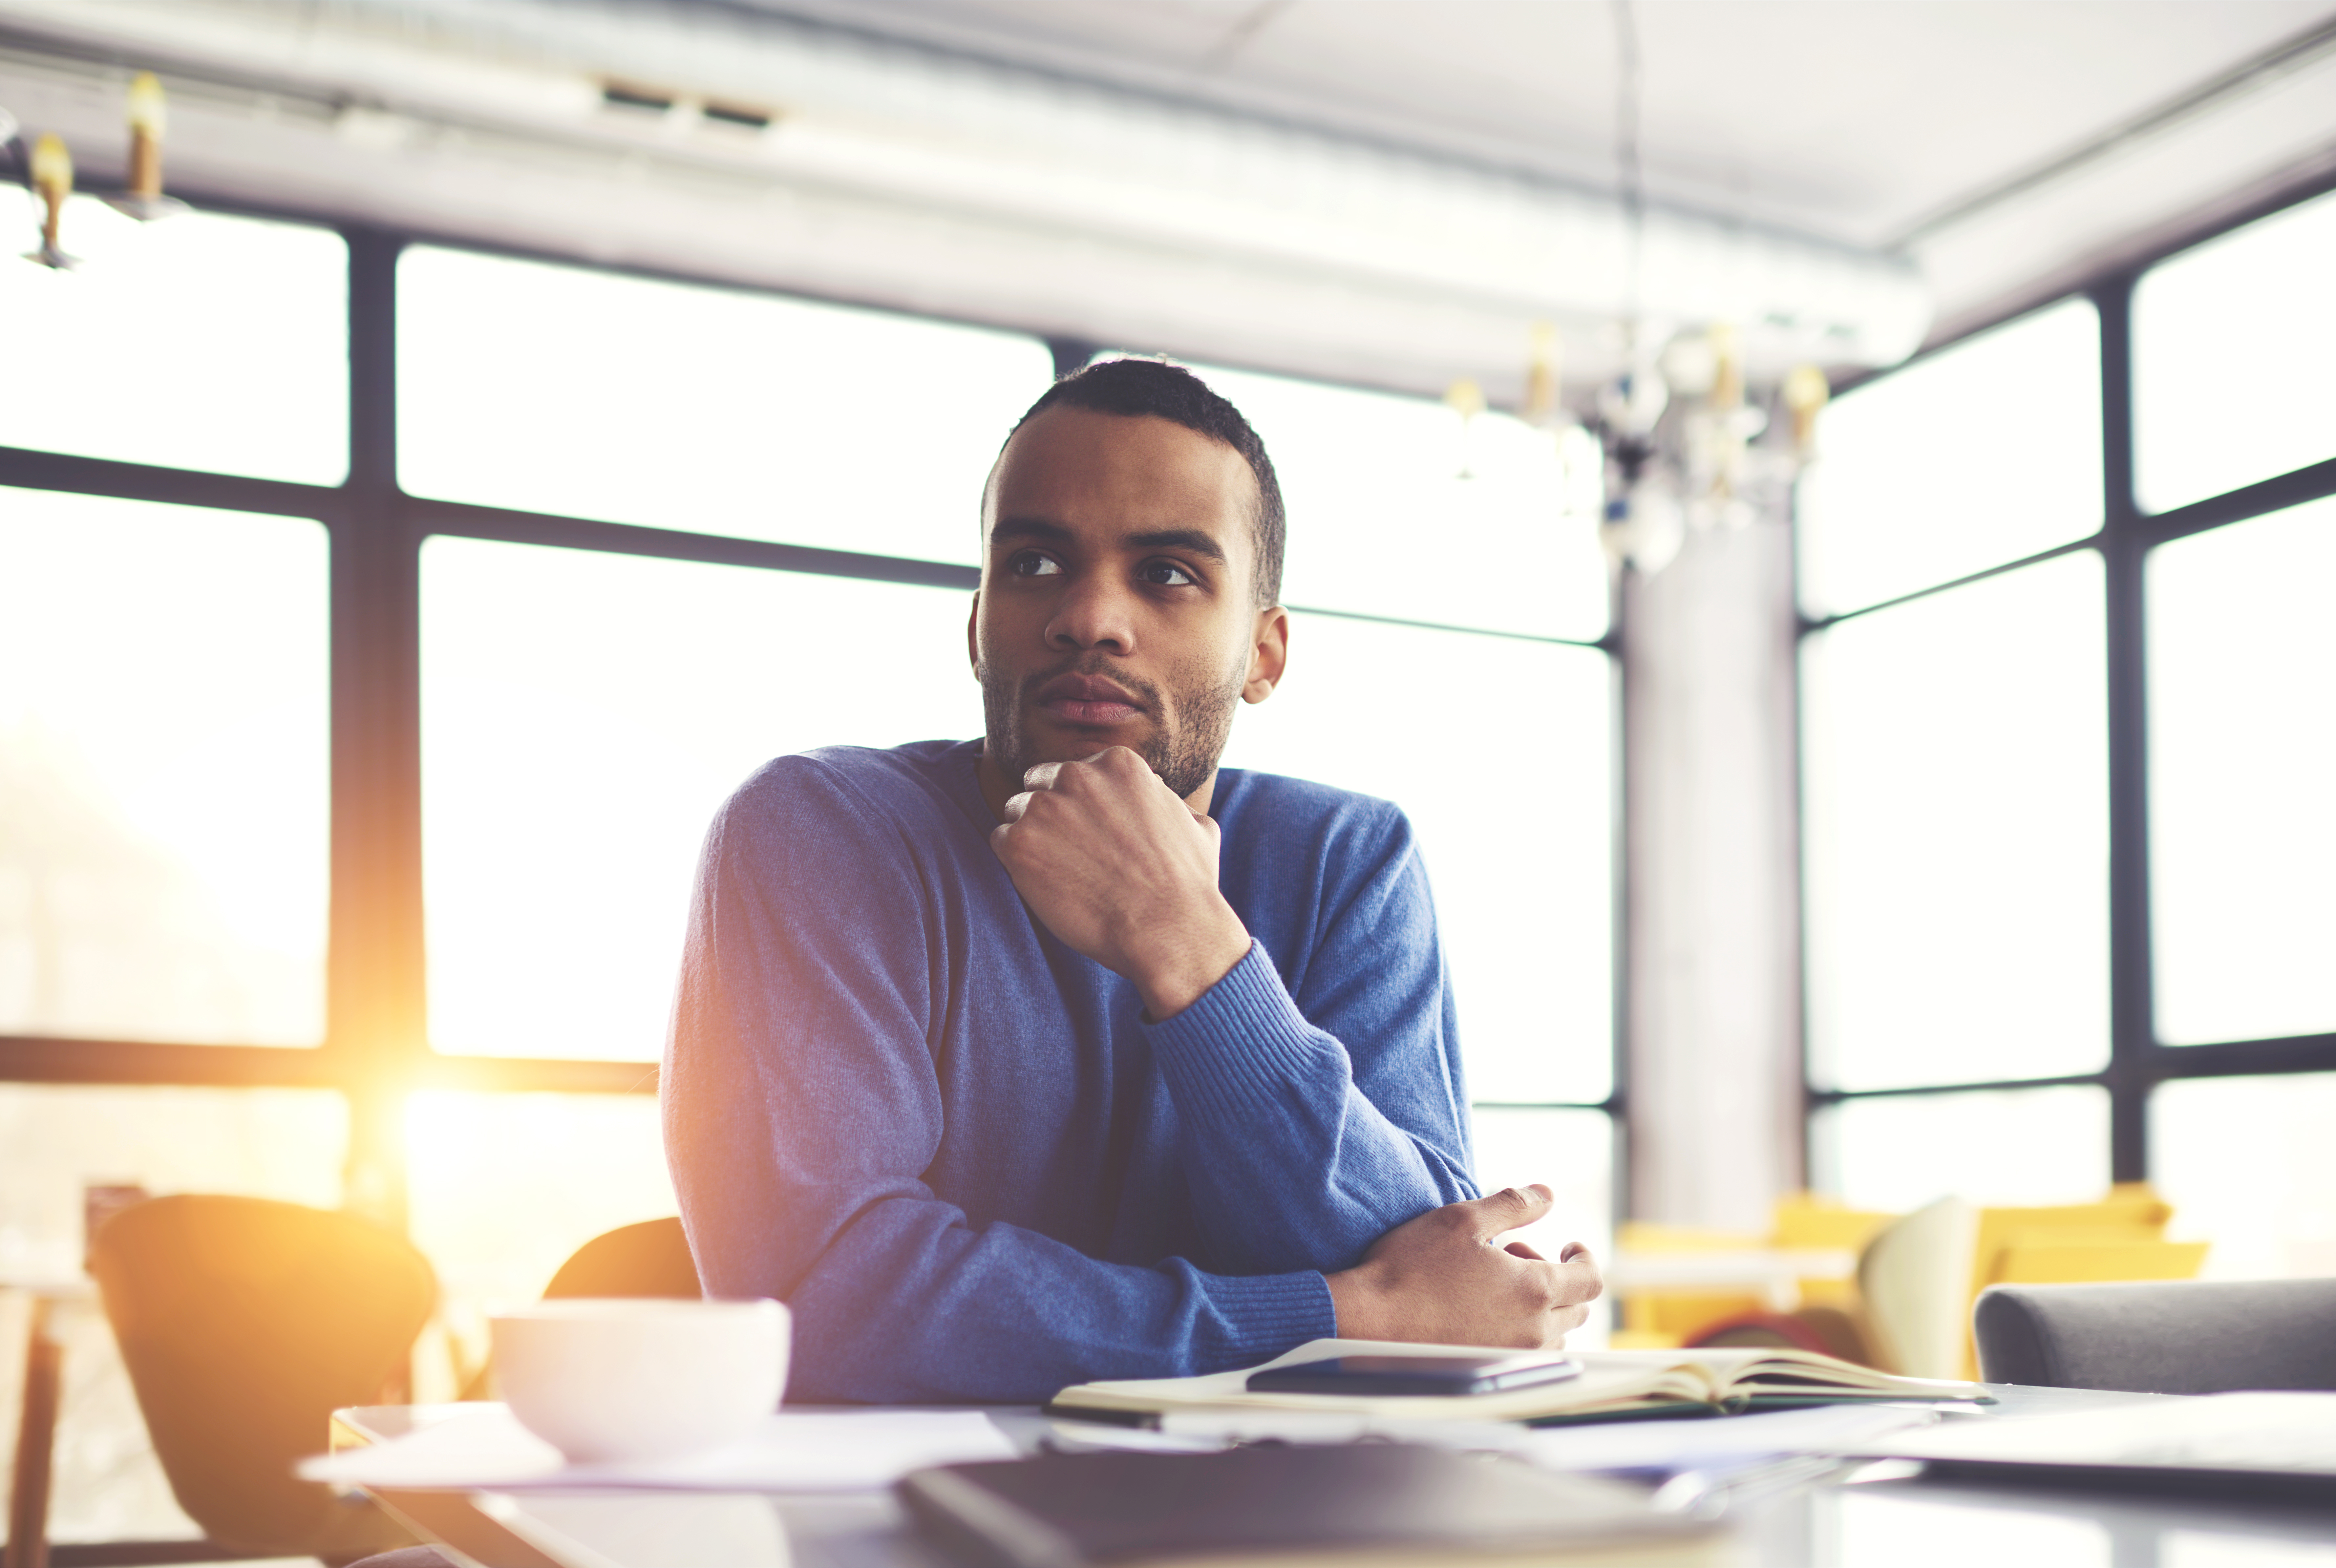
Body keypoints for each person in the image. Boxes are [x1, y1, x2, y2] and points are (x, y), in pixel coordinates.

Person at [662, 359, 1602, 1403]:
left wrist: (1193, 951)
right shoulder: (817, 836)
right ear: (978, 624)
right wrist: (1346, 1316)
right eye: (1032, 563)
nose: (1089, 616)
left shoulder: (1348, 859)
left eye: (1165, 573)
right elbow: (827, 1302)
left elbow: (1433, 1259)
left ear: (1265, 652)